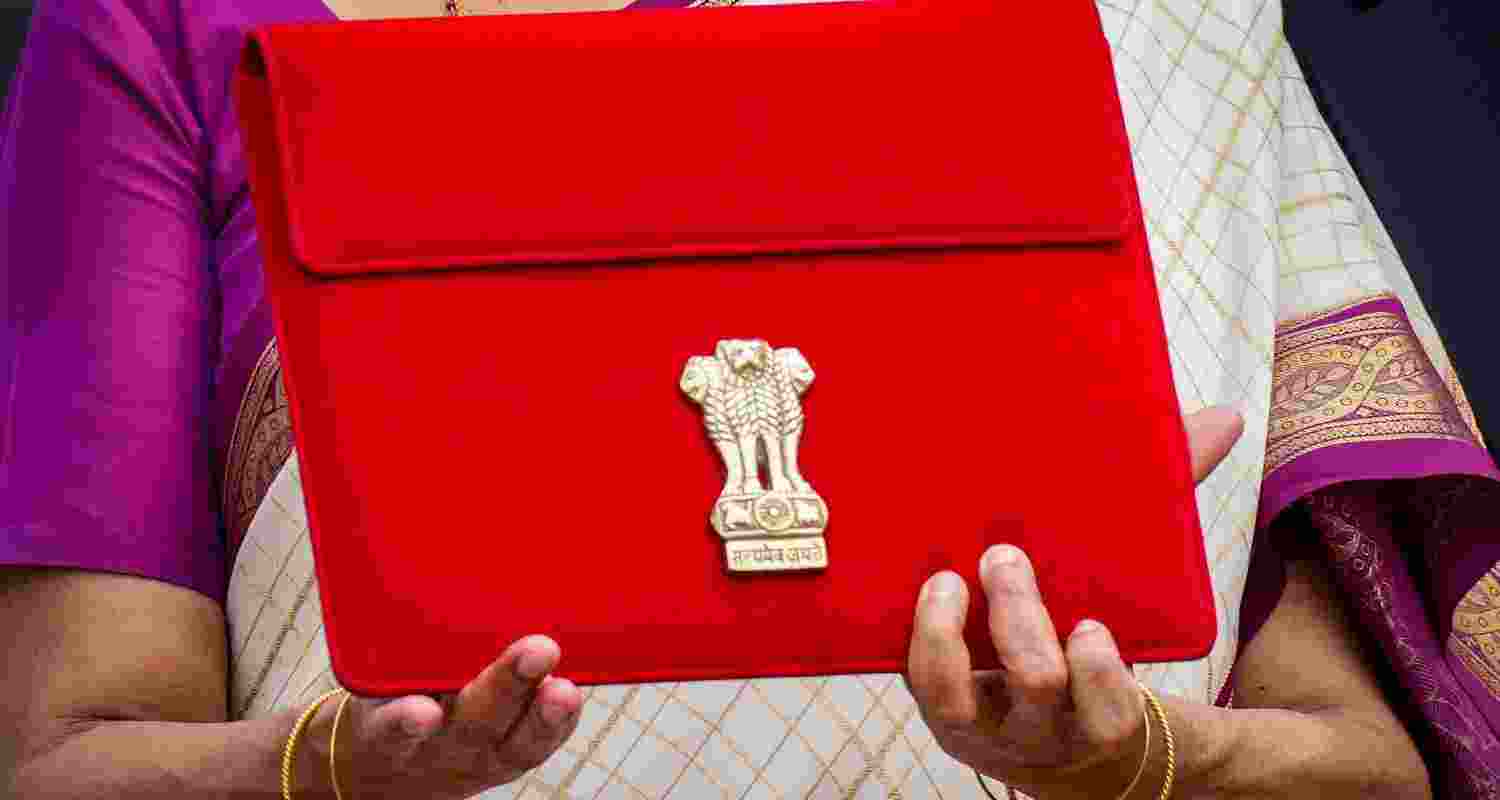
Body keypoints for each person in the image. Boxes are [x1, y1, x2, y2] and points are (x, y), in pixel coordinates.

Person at [2, 0, 1498, 797]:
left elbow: (1360, 763)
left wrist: (1141, 761)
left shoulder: (1153, 29)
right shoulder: (167, 25)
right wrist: (334, 766)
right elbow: (73, 755)